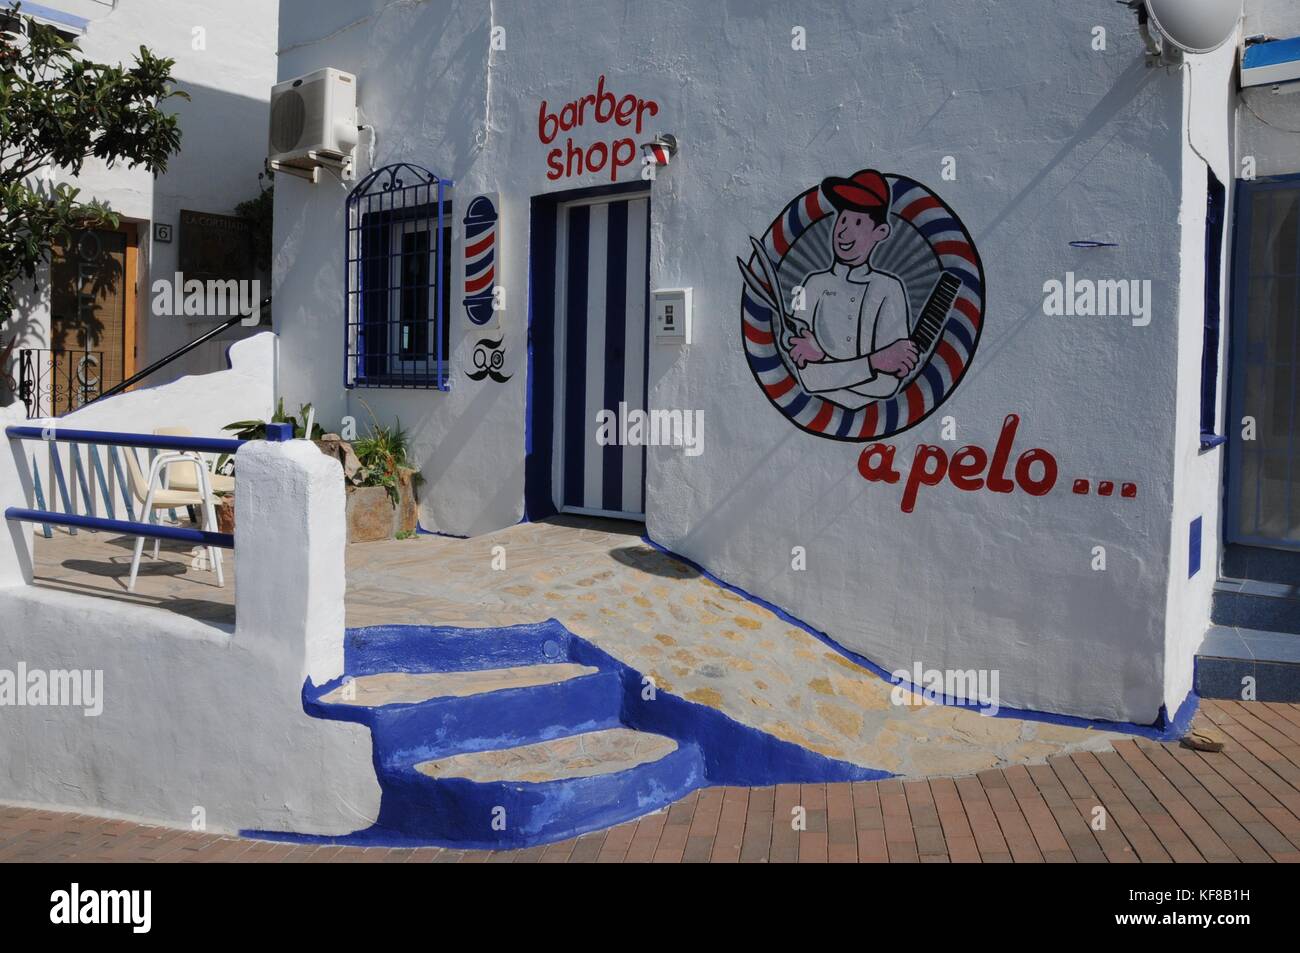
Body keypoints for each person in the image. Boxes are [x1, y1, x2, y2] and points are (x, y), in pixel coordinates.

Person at [788, 169, 918, 407]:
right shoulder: (813, 285)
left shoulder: (889, 288)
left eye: (857, 222)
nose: (844, 231)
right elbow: (807, 378)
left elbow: (887, 385)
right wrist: (875, 362)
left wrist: (823, 360)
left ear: (881, 232)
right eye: (843, 219)